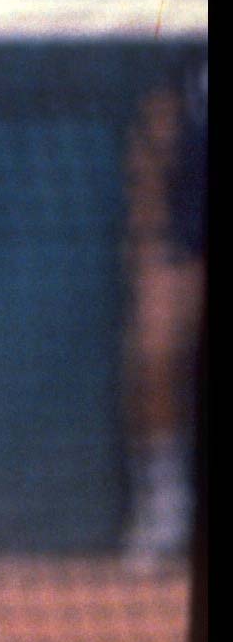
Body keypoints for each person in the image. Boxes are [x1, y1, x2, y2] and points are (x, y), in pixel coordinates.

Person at [119, 49, 206, 570]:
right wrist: (149, 239)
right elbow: (153, 138)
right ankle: (165, 508)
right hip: (185, 241)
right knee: (152, 348)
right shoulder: (187, 60)